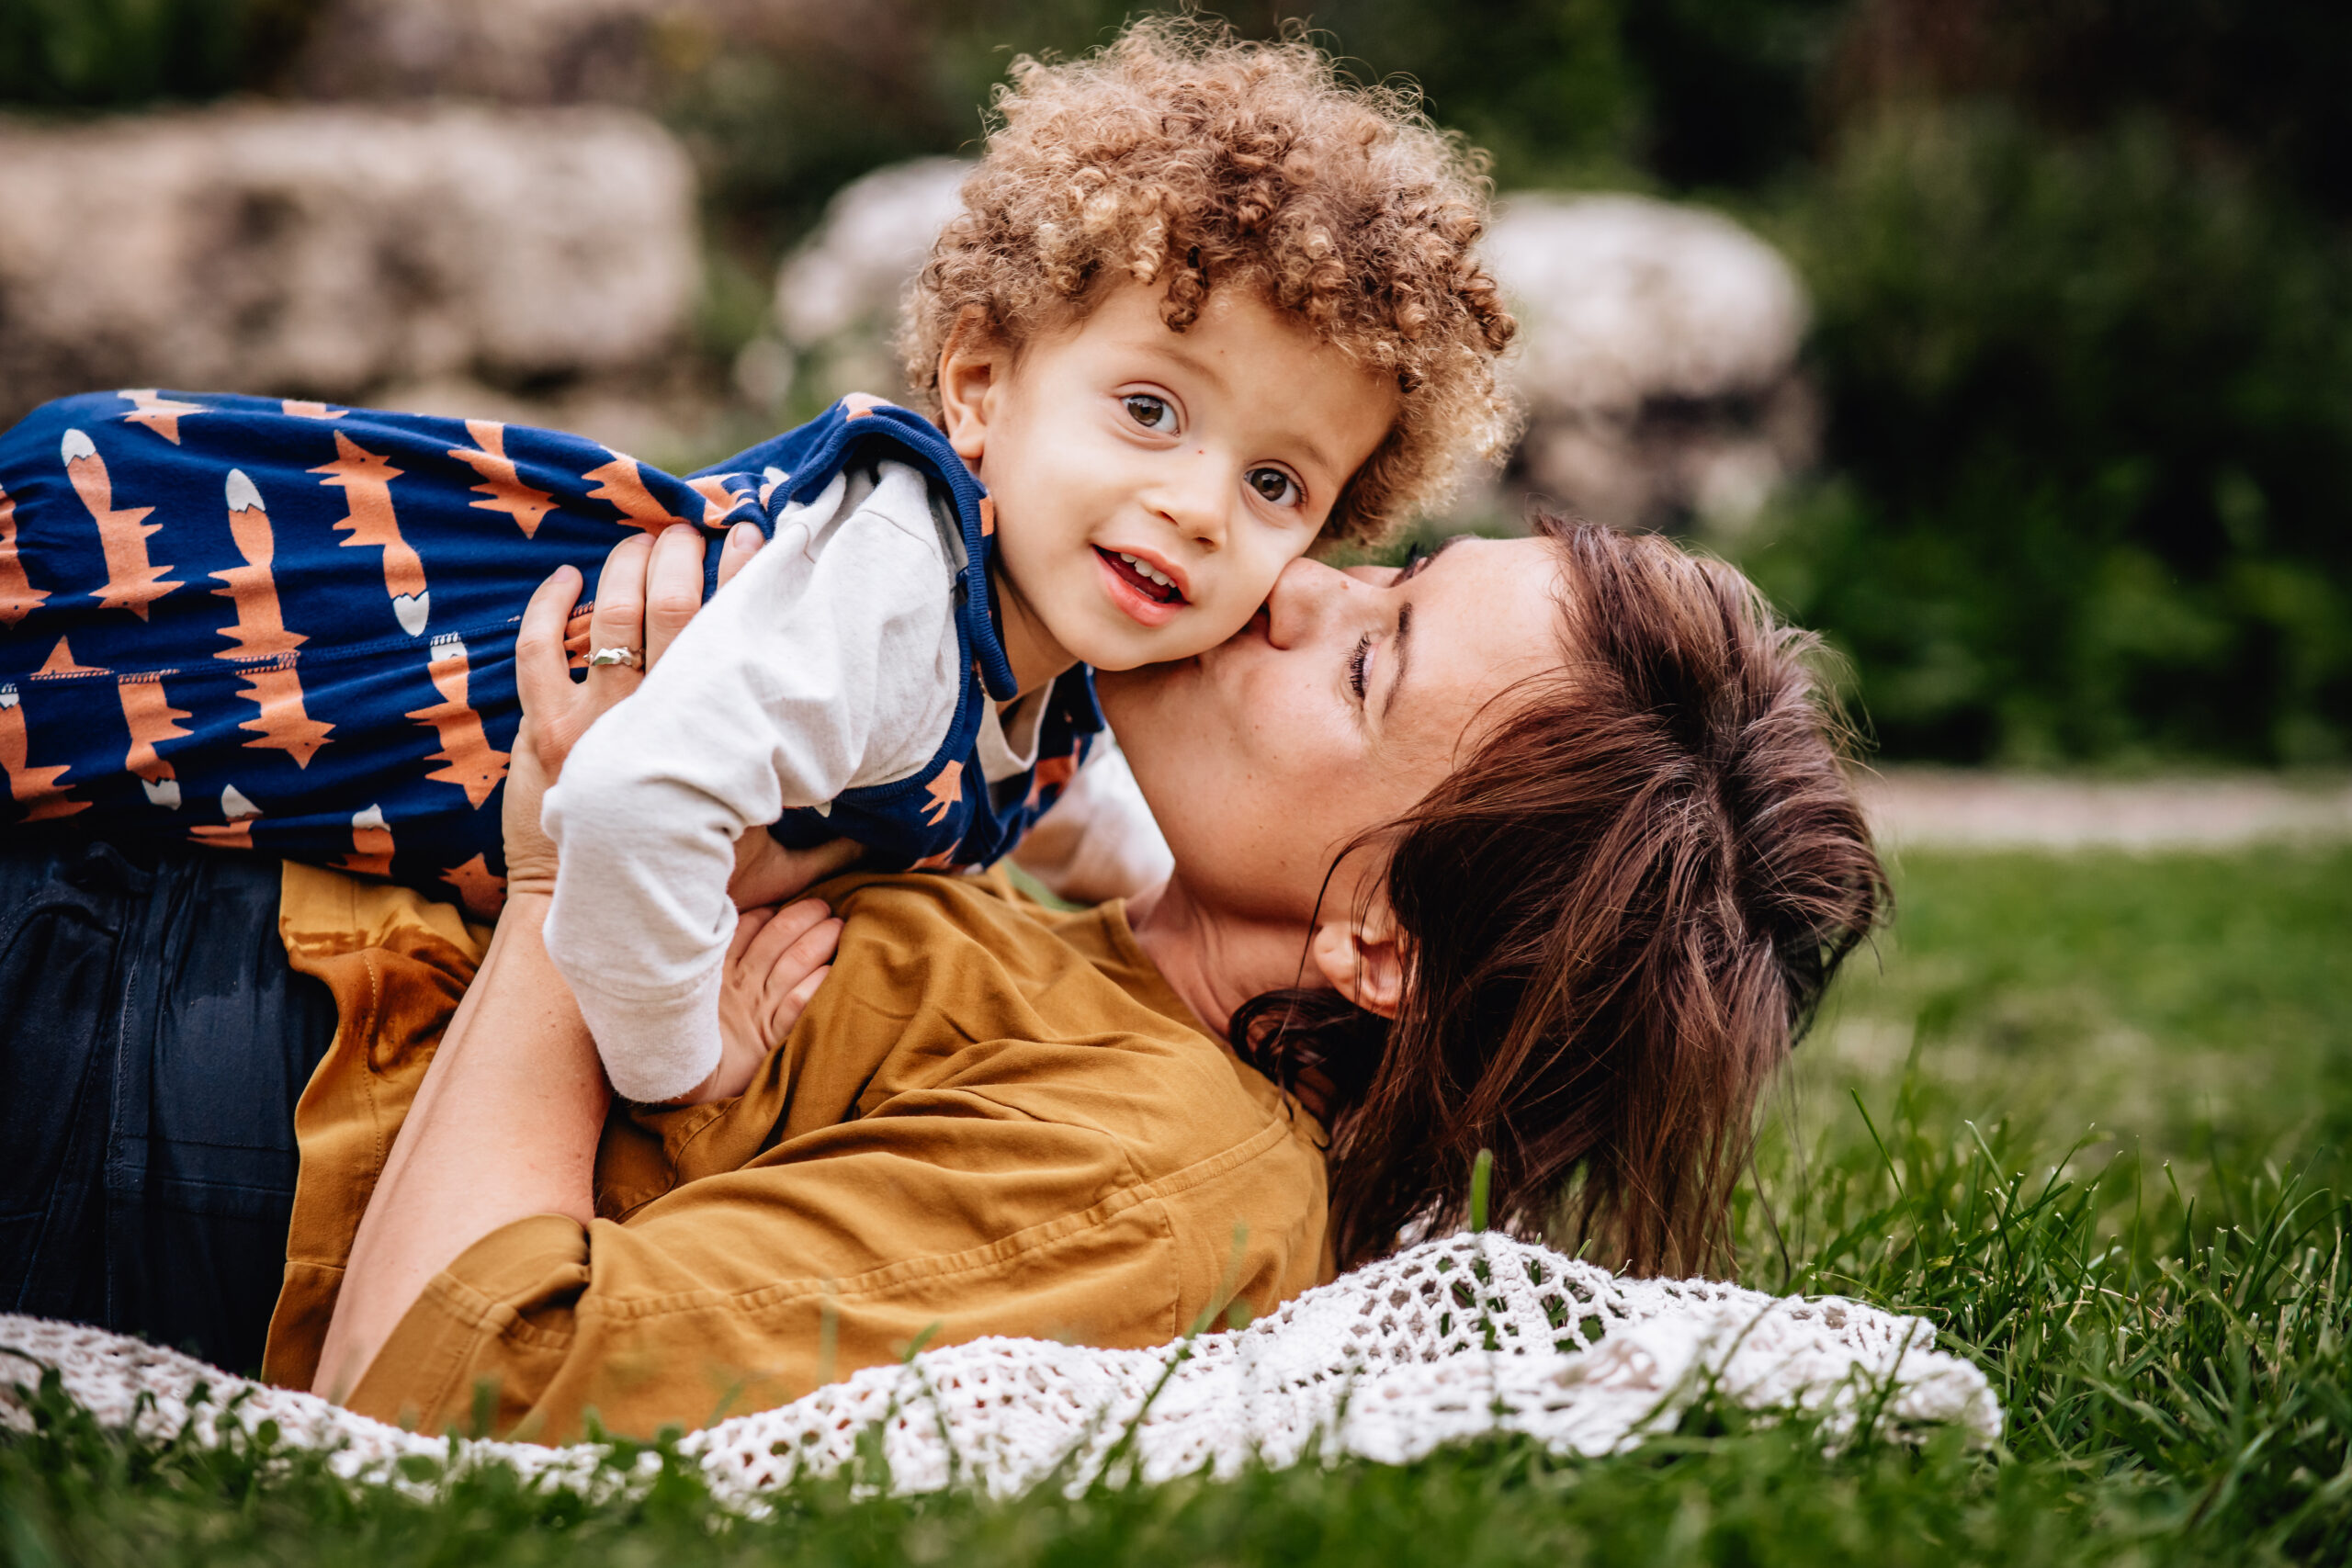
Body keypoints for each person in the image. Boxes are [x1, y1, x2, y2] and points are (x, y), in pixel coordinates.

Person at [0, 18, 1517, 1106]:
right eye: (1147, 410)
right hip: (267, 635)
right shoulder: (893, 592)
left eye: (1272, 481)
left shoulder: (1052, 658)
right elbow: (630, 796)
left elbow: (1046, 794)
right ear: (979, 390)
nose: (1195, 506)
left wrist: (1130, 864)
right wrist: (684, 1058)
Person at [238, 505, 1877, 1436]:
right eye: (1391, 570)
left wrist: (563, 870)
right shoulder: (1134, 930)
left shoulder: (1153, 1176)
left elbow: (456, 1384)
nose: (1296, 579)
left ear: (1380, 940)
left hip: (197, 1087)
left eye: (1369, 663)